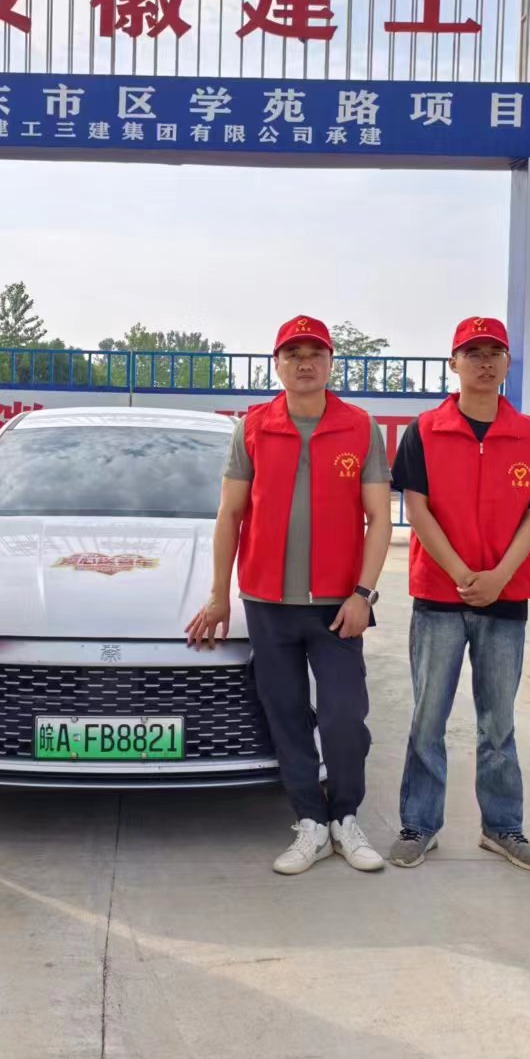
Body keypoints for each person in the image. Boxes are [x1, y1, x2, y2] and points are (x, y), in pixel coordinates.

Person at [185, 315, 392, 875]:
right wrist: (220, 596)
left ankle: (345, 816)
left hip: (337, 607)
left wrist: (364, 594)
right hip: (267, 603)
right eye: (293, 354)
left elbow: (379, 518)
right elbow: (230, 515)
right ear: (275, 364)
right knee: (286, 715)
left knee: (344, 716)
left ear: (330, 363)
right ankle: (310, 822)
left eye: (315, 353)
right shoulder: (253, 427)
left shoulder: (359, 427)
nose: (305, 363)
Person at [387, 317, 530, 872]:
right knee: (427, 720)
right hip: (439, 595)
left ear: (507, 363)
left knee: (498, 723)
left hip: (506, 595)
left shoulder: (529, 433)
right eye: (472, 352)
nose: (484, 362)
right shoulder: (425, 430)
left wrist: (500, 575)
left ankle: (503, 827)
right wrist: (463, 573)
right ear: (453, 363)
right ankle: (419, 824)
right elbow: (416, 509)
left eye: (494, 352)